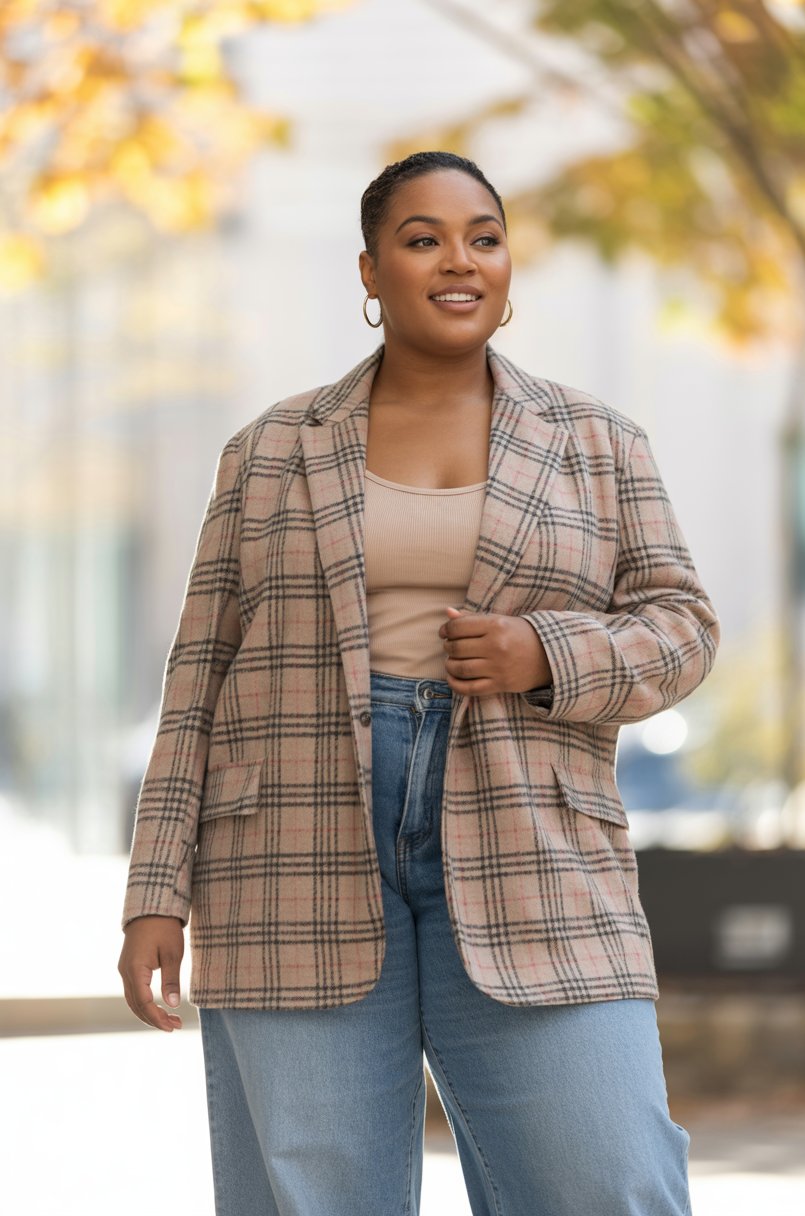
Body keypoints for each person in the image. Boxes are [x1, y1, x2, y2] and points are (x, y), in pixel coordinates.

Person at [118, 150, 719, 1215]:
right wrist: (155, 893)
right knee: (313, 1193)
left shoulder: (596, 444)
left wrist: (549, 655)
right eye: (423, 237)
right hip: (287, 855)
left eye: (482, 237)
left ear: (506, 266)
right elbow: (198, 677)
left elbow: (683, 629)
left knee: (605, 1177)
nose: (459, 260)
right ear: (369, 270)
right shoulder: (267, 451)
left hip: (536, 844)